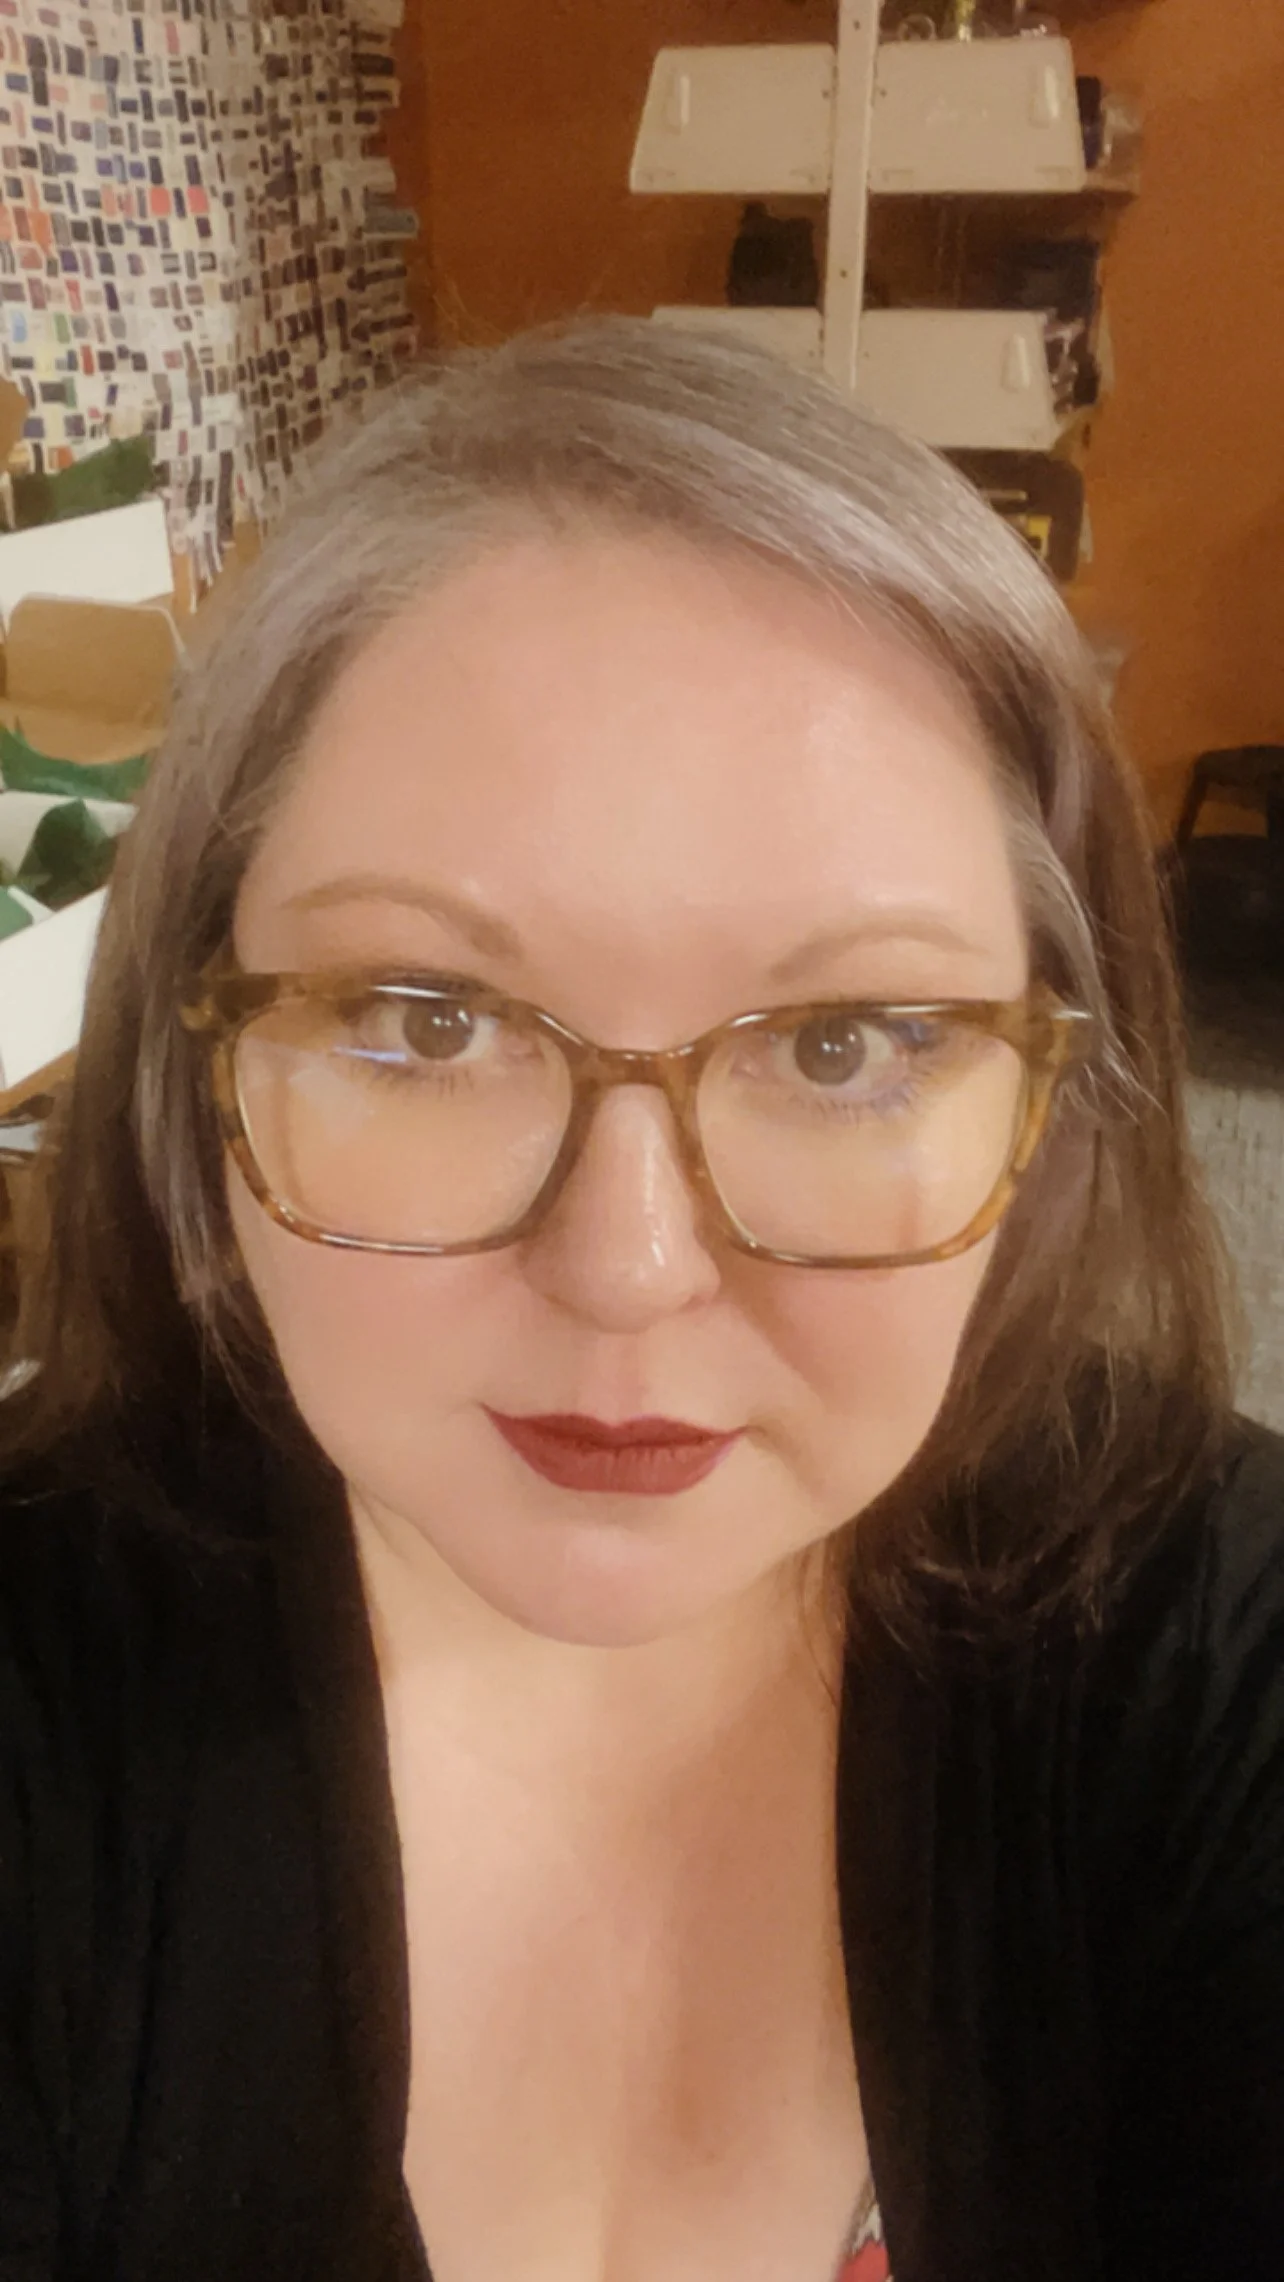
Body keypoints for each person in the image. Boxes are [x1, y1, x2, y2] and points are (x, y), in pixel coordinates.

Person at [0, 315, 1280, 2282]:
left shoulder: (1220, 1652)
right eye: (426, 1019)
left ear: (1057, 1096)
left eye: (845, 1042)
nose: (628, 1273)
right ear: (197, 1048)